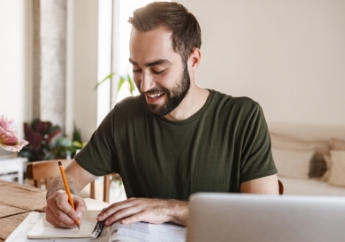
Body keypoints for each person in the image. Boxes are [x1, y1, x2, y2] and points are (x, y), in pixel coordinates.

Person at [45, 1, 278, 228]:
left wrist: (168, 209)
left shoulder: (243, 117)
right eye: (136, 69)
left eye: (159, 70)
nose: (144, 85)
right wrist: (58, 195)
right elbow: (70, 178)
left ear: (193, 60)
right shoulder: (124, 117)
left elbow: (262, 216)